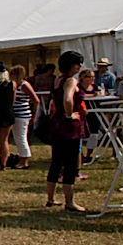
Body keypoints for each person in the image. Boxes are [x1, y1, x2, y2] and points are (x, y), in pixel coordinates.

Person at [45, 50, 90, 211]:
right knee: (70, 164)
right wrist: (70, 114)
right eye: (79, 63)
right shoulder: (71, 80)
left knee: (56, 162)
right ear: (73, 65)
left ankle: (50, 198)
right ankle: (70, 202)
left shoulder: (58, 79)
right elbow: (67, 98)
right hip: (69, 127)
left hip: (57, 125)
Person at [9, 64, 40, 169]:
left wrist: (34, 116)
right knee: (17, 137)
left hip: (23, 114)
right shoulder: (14, 85)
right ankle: (22, 158)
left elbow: (36, 100)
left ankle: (24, 160)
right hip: (15, 114)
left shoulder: (24, 85)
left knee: (21, 137)